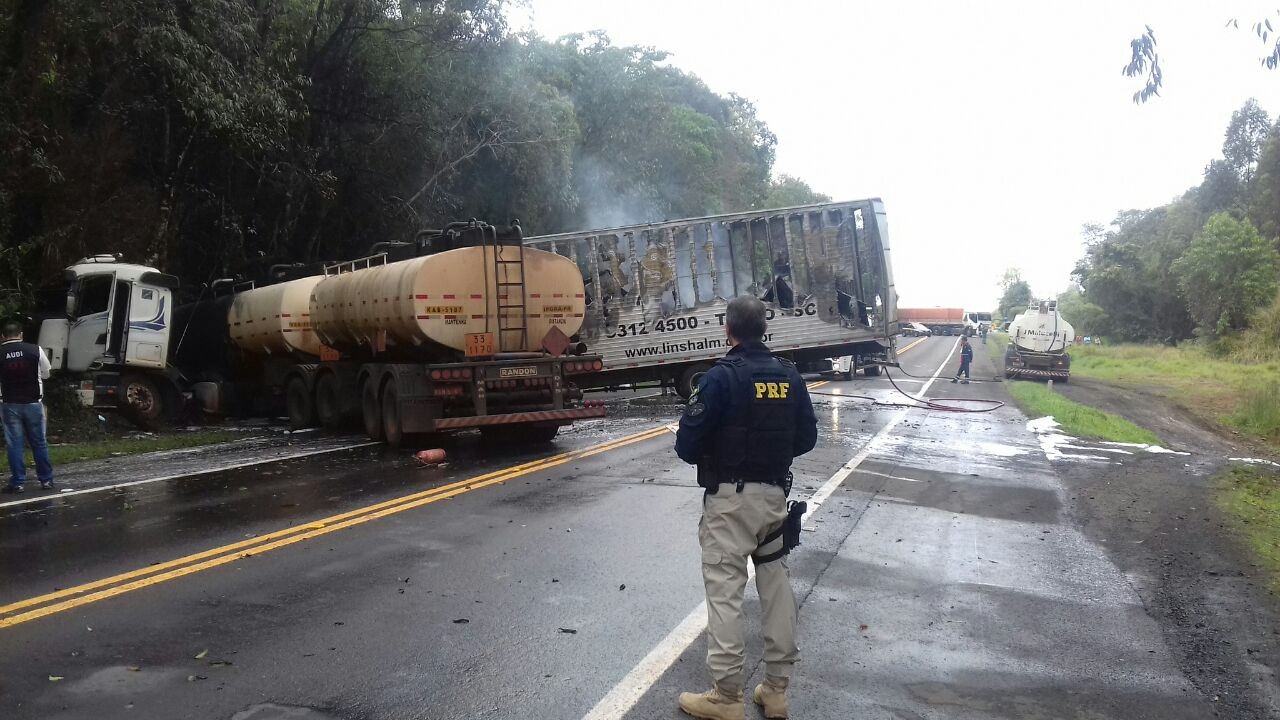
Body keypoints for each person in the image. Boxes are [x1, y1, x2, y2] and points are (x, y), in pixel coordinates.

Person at [675, 296, 818, 720]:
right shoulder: (790, 376)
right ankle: (776, 692)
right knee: (776, 591)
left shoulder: (720, 378)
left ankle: (726, 696)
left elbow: (686, 445)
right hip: (775, 498)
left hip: (729, 503)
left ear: (728, 330)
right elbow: (806, 439)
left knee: (725, 595)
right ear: (764, 328)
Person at [0, 322, 55, 493]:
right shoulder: (35, 350)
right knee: (39, 443)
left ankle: (18, 483)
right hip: (33, 403)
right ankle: (46, 480)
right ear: (21, 335)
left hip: (9, 404)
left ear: (2, 337)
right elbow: (46, 373)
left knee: (14, 444)